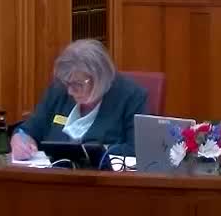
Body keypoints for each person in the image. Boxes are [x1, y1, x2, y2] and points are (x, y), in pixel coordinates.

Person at [11, 39, 148, 158]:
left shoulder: (131, 96)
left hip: (104, 177)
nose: (70, 91)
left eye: (77, 84)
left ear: (100, 78)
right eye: (67, 83)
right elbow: (28, 130)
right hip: (54, 174)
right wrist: (20, 139)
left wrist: (93, 152)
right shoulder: (59, 90)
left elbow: (137, 150)